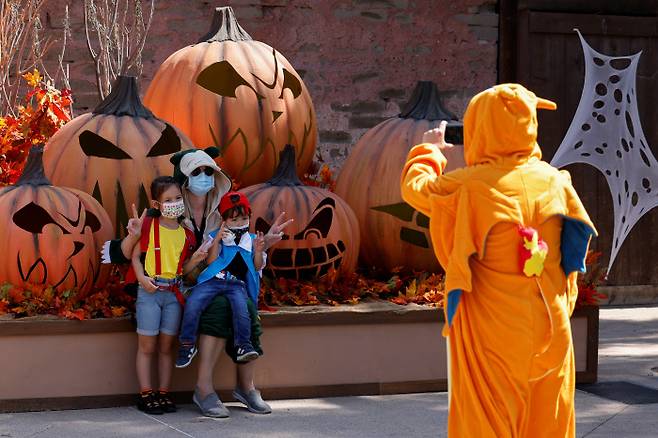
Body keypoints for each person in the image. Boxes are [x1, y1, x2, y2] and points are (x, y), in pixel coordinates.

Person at [400, 84, 597, 437]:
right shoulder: (555, 182)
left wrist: (429, 150)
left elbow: (415, 188)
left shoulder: (469, 187)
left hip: (494, 335)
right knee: (548, 423)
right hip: (551, 330)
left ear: (480, 129)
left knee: (486, 425)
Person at [102, 147, 291, 418]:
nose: (204, 177)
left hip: (219, 280)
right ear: (185, 179)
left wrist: (265, 246)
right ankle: (204, 389)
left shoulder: (222, 211)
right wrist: (134, 240)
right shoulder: (168, 212)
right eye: (197, 172)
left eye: (208, 171)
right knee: (215, 308)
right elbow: (130, 248)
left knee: (246, 308)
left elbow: (240, 248)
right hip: (180, 285)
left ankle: (246, 387)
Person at [130, 176, 207, 415]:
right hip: (150, 293)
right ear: (157, 205)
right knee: (147, 345)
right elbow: (134, 257)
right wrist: (142, 279)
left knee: (166, 346)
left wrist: (195, 260)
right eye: (168, 200)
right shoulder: (148, 227)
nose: (174, 203)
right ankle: (146, 393)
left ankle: (163, 392)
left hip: (173, 294)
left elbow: (182, 270)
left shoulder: (186, 234)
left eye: (177, 198)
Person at [176, 191, 266, 368]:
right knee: (194, 302)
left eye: (243, 219)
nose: (240, 224)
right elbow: (211, 262)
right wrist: (217, 240)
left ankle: (243, 345)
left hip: (236, 285)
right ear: (224, 221)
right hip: (213, 281)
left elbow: (256, 267)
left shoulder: (252, 240)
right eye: (234, 220)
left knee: (241, 308)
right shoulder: (215, 237)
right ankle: (187, 344)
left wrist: (258, 250)